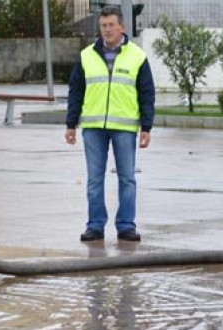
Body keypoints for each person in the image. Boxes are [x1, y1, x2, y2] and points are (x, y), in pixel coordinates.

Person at [65, 6, 155, 242]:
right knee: (95, 179)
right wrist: (70, 124)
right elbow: (76, 92)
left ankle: (126, 226)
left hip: (124, 129)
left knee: (127, 178)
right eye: (103, 26)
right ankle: (95, 226)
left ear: (122, 27)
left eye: (111, 25)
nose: (107, 30)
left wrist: (147, 127)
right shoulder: (86, 56)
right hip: (93, 128)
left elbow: (147, 93)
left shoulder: (137, 56)